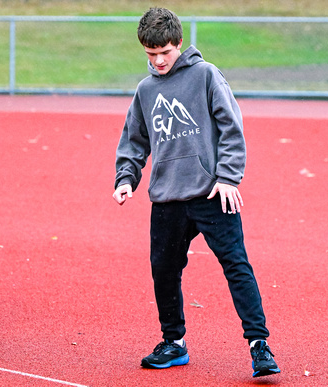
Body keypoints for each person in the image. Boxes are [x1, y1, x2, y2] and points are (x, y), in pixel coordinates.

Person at [112, 8, 280, 378]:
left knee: (236, 266)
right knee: (164, 271)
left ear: (180, 44)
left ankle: (259, 346)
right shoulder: (145, 90)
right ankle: (173, 343)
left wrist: (228, 178)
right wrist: (126, 177)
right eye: (150, 54)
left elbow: (231, 128)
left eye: (165, 53)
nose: (158, 61)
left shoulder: (205, 75)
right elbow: (133, 140)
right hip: (168, 198)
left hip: (212, 194)